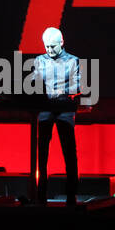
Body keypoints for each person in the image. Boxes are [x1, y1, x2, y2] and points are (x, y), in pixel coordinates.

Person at [33, 27, 81, 205]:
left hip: (64, 107)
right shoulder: (39, 60)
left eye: (53, 46)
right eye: (47, 47)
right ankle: (40, 194)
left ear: (62, 43)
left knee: (69, 151)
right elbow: (34, 83)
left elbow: (77, 86)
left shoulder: (73, 61)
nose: (50, 50)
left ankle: (71, 194)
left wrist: (59, 91)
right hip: (45, 107)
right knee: (42, 152)